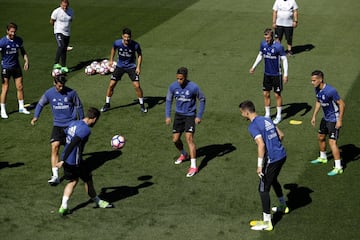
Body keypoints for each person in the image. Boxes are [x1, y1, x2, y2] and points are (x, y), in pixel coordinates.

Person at [239, 100, 288, 231]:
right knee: (273, 179)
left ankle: (267, 222)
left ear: (246, 112)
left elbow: (261, 145)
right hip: (282, 154)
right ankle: (283, 205)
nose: (242, 115)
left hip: (272, 159)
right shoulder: (266, 119)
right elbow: (281, 135)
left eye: (242, 112)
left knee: (263, 188)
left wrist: (259, 165)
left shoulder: (253, 126)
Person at [56, 107, 113, 215]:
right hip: (75, 162)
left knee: (72, 181)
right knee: (88, 179)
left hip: (67, 159)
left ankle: (63, 206)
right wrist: (63, 160)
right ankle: (98, 201)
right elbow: (73, 143)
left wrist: (63, 158)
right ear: (94, 119)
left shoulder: (74, 123)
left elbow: (63, 136)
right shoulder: (85, 130)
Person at [31, 74, 84, 185]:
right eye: (59, 86)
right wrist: (36, 116)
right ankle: (55, 175)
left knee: (72, 150)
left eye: (63, 86)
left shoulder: (71, 93)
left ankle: (76, 168)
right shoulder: (49, 93)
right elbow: (40, 104)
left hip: (71, 125)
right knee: (54, 147)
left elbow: (79, 106)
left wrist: (82, 121)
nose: (61, 88)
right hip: (58, 126)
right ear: (54, 83)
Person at [165, 67, 206, 177]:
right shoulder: (173, 86)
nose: (179, 81)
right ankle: (184, 154)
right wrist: (167, 116)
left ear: (186, 77)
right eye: (177, 78)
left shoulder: (193, 87)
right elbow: (169, 100)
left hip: (190, 115)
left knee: (189, 139)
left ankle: (193, 167)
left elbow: (202, 99)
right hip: (178, 116)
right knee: (175, 140)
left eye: (181, 79)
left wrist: (199, 116)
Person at [100, 27, 147, 113]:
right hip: (120, 66)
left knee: (137, 86)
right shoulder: (117, 43)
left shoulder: (135, 45)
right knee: (111, 85)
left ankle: (142, 104)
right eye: (125, 37)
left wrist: (138, 67)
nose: (126, 39)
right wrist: (111, 59)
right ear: (122, 36)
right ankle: (107, 103)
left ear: (130, 37)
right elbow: (113, 49)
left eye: (128, 37)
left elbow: (140, 55)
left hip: (131, 67)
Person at [249, 28, 288, 125]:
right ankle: (267, 114)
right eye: (265, 38)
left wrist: (286, 74)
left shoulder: (278, 47)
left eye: (268, 38)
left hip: (277, 75)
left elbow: (284, 60)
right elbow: (260, 55)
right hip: (267, 74)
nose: (266, 40)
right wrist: (253, 67)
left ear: (272, 37)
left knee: (277, 95)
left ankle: (278, 116)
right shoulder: (263, 44)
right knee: (266, 94)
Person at [310, 70, 345, 176]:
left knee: (332, 142)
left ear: (320, 80)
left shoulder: (331, 91)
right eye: (311, 80)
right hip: (325, 118)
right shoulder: (317, 89)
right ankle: (323, 157)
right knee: (320, 137)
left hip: (334, 119)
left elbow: (342, 104)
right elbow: (318, 101)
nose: (312, 82)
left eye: (314, 80)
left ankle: (338, 167)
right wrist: (314, 116)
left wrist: (340, 120)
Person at [0, 22, 30, 119]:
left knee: (20, 86)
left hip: (16, 67)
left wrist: (26, 61)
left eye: (14, 31)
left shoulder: (18, 40)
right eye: (11, 31)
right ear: (7, 31)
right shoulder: (3, 42)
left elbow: (23, 52)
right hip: (6, 68)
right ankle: (3, 110)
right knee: (5, 88)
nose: (13, 33)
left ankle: (21, 107)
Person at [50, 0, 73, 73]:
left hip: (67, 33)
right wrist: (56, 28)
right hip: (58, 31)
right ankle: (56, 63)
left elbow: (71, 20)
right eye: (63, 6)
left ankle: (63, 66)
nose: (64, 7)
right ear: (61, 5)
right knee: (61, 46)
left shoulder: (71, 11)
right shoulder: (56, 11)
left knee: (64, 50)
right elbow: (51, 21)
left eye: (66, 6)